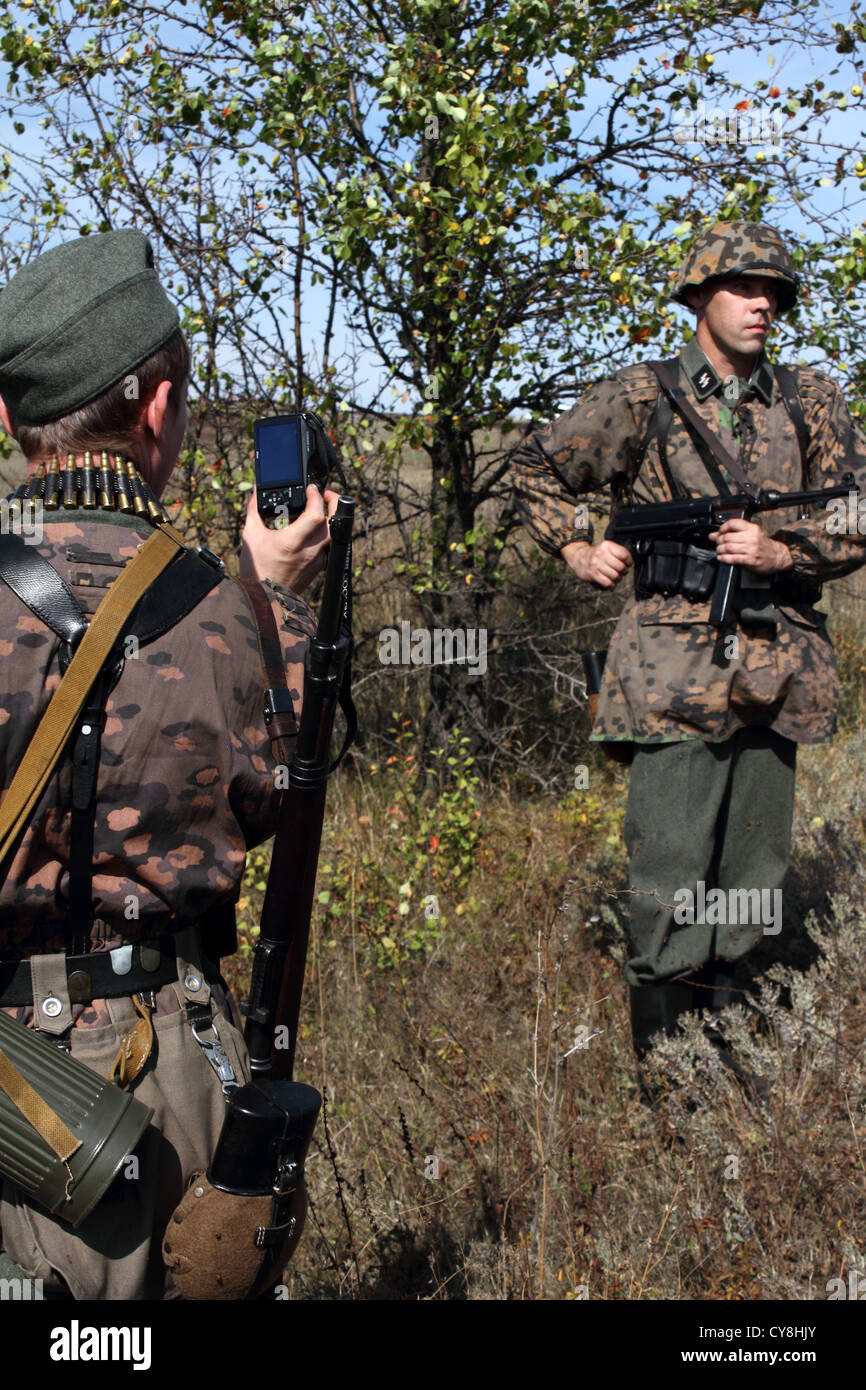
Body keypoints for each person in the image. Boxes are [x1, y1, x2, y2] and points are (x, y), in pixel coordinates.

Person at [0, 228, 337, 1298]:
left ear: (7, 422)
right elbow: (274, 794)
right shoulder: (219, 614)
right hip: (157, 1066)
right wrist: (275, 597)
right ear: (155, 408)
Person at [511, 220, 866, 1075]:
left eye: (774, 293)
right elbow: (537, 465)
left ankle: (736, 1068)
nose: (762, 306)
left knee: (753, 875)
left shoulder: (811, 400)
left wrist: (786, 553)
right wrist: (576, 546)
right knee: (670, 876)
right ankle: (672, 1092)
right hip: (671, 678)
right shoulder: (643, 395)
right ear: (700, 295)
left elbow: (858, 512)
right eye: (745, 288)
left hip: (776, 671)